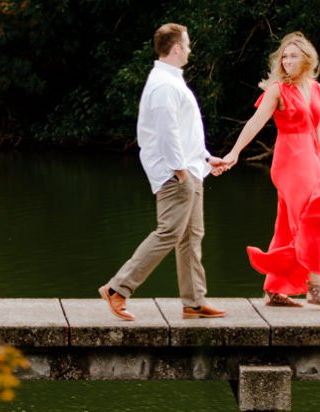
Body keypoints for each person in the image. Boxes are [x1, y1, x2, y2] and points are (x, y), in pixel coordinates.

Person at [99, 23, 236, 321]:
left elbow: (185, 131)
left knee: (191, 236)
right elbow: (166, 133)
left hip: (191, 168)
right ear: (176, 48)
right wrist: (180, 171)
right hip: (177, 174)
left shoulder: (171, 80)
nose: (190, 49)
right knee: (169, 233)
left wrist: (206, 158)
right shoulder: (163, 84)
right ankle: (117, 289)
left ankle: (194, 302)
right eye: (187, 44)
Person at [219, 31, 320, 307]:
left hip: (313, 159)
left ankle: (275, 289)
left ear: (306, 58)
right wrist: (234, 152)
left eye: (293, 56)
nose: (287, 61)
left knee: (292, 224)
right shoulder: (277, 89)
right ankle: (315, 287)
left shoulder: (316, 88)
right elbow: (255, 121)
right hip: (290, 161)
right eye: (284, 56)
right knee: (310, 221)